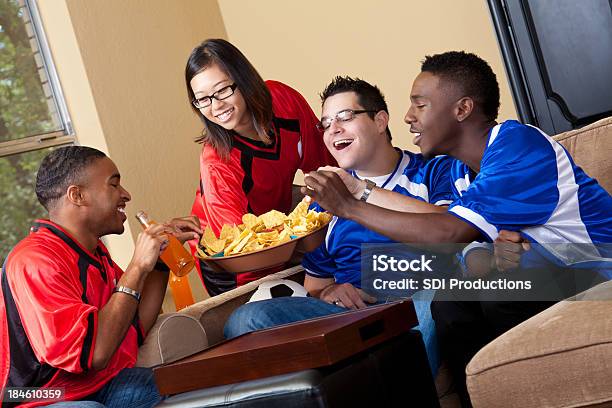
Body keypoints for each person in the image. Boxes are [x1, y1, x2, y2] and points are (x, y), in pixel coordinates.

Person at [299, 51, 612, 407]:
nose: (409, 117)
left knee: (489, 287)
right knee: (455, 300)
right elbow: (461, 235)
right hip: (552, 273)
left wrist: (352, 206)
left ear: (461, 109)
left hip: (598, 270)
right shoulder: (463, 172)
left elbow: (450, 234)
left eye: (421, 105)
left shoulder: (517, 144)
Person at [224, 76, 457, 376]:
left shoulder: (435, 170)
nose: (333, 129)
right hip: (353, 316)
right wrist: (331, 291)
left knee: (438, 294)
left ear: (380, 120)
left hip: (416, 301)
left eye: (345, 117)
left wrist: (362, 191)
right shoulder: (321, 203)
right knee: (245, 321)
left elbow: (452, 232)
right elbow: (316, 285)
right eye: (325, 123)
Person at [0, 146, 201, 407]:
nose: (126, 195)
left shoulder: (93, 252)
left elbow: (134, 323)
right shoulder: (35, 260)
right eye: (114, 185)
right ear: (78, 195)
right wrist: (137, 267)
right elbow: (94, 354)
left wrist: (161, 261)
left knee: (177, 384)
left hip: (91, 385)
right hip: (31, 396)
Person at [185, 39, 335, 296]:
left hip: (280, 231)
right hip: (231, 260)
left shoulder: (284, 99)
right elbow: (241, 250)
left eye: (222, 90)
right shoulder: (216, 159)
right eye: (203, 99)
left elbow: (326, 169)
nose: (216, 106)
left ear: (243, 80)